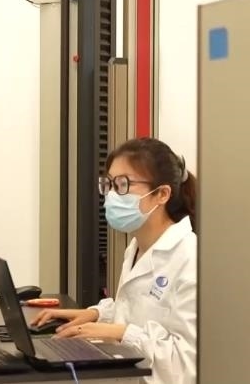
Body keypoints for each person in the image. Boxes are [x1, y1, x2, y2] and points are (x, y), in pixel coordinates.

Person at [32, 137, 197, 384]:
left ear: (162, 194)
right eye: (109, 184)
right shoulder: (135, 248)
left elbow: (186, 364)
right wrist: (95, 314)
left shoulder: (191, 258)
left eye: (123, 185)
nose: (111, 196)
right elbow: (135, 307)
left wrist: (120, 333)